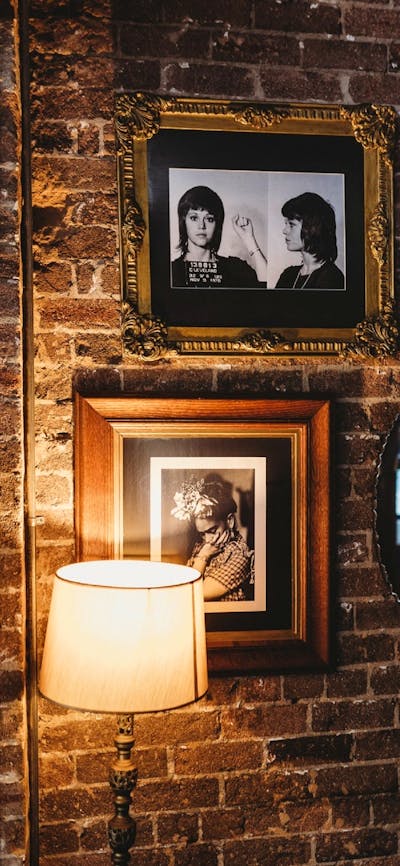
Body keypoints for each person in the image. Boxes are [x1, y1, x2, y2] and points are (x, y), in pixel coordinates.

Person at [170, 474, 254, 601]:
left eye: (212, 530)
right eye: (202, 533)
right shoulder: (204, 547)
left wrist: (202, 556)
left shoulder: (240, 556)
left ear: (230, 521)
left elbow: (195, 593)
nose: (207, 539)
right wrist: (203, 554)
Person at [171, 185, 267, 288]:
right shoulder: (173, 271)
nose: (201, 226)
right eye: (194, 218)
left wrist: (249, 240)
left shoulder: (235, 268)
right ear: (183, 221)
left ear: (217, 224)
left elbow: (267, 289)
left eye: (209, 219)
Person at [274, 192, 344, 290]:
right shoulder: (288, 275)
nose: (284, 231)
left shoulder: (331, 278)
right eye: (286, 224)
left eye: (291, 224)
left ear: (312, 228)